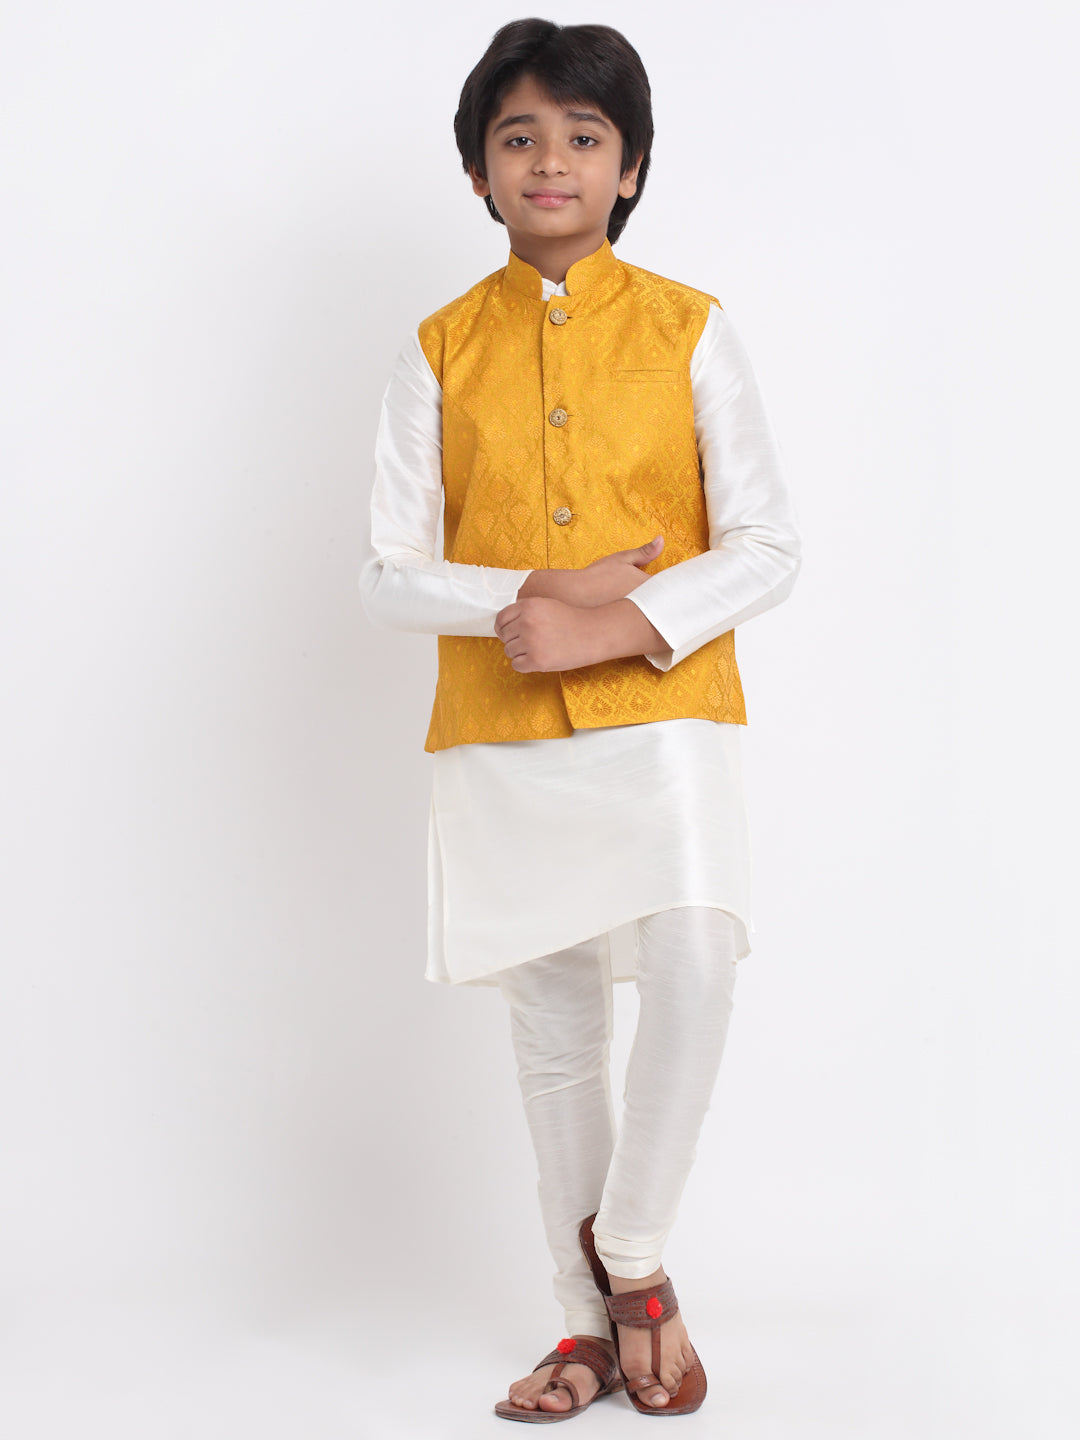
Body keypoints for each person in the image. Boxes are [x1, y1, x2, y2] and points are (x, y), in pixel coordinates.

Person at [359, 17, 802, 1421]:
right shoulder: (438, 349)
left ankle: (633, 1255)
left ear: (631, 167)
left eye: (584, 136)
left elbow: (768, 545)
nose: (550, 158)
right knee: (553, 1027)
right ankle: (583, 1329)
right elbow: (386, 572)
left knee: (695, 955)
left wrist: (612, 625)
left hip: (666, 713)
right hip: (499, 730)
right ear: (478, 173)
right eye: (519, 136)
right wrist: (527, 597)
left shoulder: (689, 327)